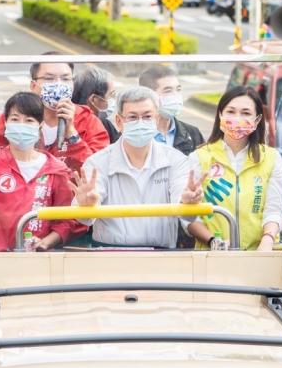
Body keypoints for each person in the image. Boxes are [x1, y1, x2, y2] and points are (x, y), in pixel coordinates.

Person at [71, 86, 202, 248]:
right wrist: (85, 205)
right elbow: (85, 219)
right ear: (119, 122)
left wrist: (187, 202)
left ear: (156, 119)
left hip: (162, 256)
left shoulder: (176, 160)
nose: (141, 123)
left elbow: (187, 216)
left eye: (147, 116)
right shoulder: (97, 163)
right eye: (132, 117)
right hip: (109, 255)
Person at [0, 92, 76, 251]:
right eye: (15, 119)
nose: (21, 125)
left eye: (29, 121)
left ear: (40, 125)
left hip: (37, 260)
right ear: (6, 123)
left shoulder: (56, 169)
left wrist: (45, 242)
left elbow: (66, 220)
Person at [0, 53, 109, 172]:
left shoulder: (88, 121)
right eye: (49, 78)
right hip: (23, 208)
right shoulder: (14, 119)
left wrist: (72, 134)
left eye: (65, 78)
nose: (58, 85)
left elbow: (98, 171)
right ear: (33, 85)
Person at [186, 86, 282, 251]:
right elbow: (189, 217)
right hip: (213, 255)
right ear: (220, 115)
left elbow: (274, 208)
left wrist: (267, 240)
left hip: (260, 254)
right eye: (231, 111)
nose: (237, 118)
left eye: (246, 113)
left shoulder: (271, 158)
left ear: (258, 119)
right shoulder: (199, 157)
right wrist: (213, 242)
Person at [138, 66, 204, 155]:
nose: (176, 96)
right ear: (147, 95)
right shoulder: (133, 135)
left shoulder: (192, 133)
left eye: (178, 89)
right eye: (168, 91)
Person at [72, 67, 120, 143]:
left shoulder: (105, 122)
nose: (114, 99)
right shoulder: (71, 127)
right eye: (111, 94)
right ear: (94, 100)